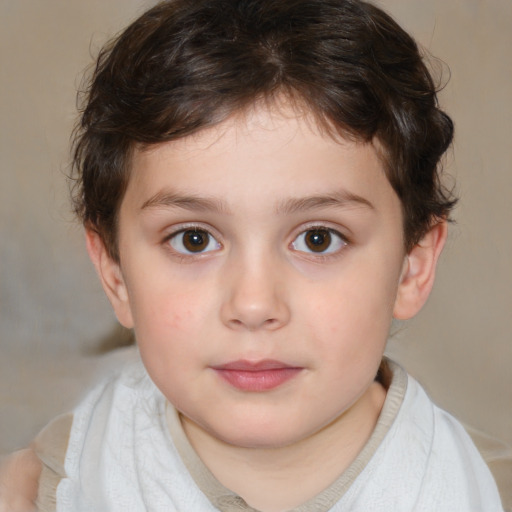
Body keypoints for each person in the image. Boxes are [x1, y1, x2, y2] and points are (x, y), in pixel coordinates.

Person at [0, 0, 505, 510]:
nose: (254, 304)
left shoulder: (486, 492)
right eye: (194, 239)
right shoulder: (36, 494)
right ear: (115, 275)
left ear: (411, 268)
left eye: (318, 239)